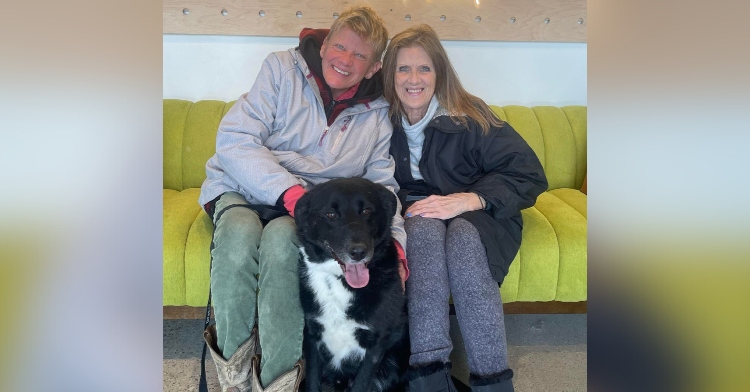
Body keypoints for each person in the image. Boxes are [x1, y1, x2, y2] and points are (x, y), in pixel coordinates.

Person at [198, 6, 408, 392]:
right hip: (246, 187)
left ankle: (279, 380)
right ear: (325, 43)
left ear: (374, 67)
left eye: (359, 55)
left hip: (311, 211)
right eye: (340, 47)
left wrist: (397, 244)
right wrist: (291, 193)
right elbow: (236, 140)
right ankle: (233, 378)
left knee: (282, 246)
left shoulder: (379, 111)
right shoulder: (280, 69)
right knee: (237, 241)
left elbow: (381, 188)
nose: (345, 60)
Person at [381, 24, 548, 392]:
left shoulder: (469, 114)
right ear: (389, 74)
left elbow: (528, 174)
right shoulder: (379, 119)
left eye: (424, 68)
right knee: (423, 231)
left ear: (439, 73)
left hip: (481, 211)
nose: (413, 79)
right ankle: (429, 378)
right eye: (403, 68)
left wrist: (470, 199)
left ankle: (492, 381)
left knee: (463, 241)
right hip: (417, 211)